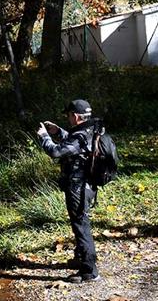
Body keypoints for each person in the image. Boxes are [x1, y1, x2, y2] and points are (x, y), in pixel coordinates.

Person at [36, 99, 100, 283]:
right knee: (80, 223)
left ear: (76, 116)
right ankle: (81, 259)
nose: (68, 118)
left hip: (78, 187)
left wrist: (44, 137)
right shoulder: (91, 128)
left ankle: (90, 271)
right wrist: (58, 132)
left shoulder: (80, 135)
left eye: (69, 115)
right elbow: (75, 143)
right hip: (87, 185)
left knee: (81, 226)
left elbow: (56, 152)